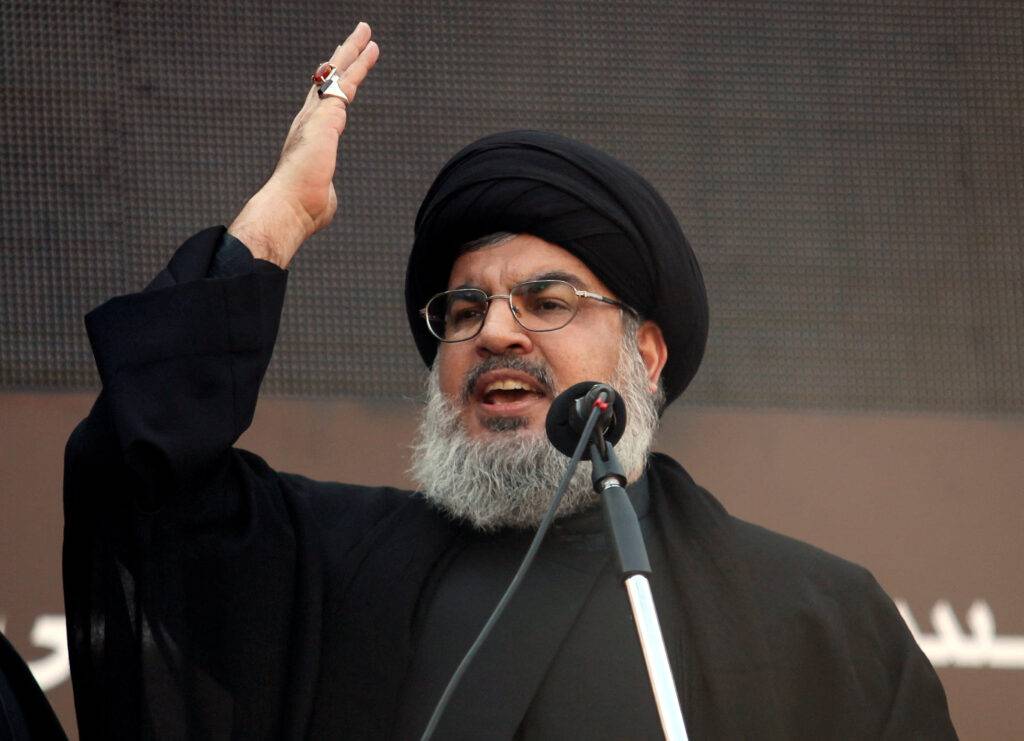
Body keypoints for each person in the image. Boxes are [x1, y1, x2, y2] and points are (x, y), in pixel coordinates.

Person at [63, 22, 957, 740]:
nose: (493, 331)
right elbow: (140, 474)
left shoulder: (815, 621)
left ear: (644, 354)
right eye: (462, 310)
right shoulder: (329, 566)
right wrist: (278, 220)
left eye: (546, 299)